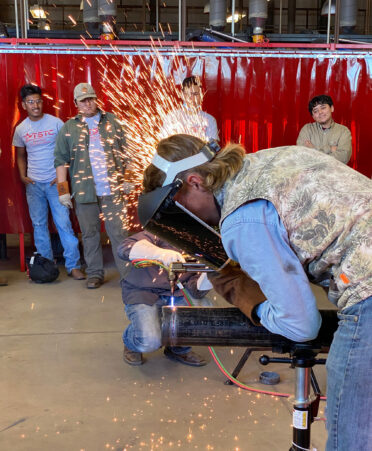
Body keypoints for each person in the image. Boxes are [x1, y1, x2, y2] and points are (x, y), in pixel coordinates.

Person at [142, 134, 372, 451]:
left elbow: (301, 325)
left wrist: (256, 306)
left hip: (367, 294)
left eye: (180, 209)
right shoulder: (270, 159)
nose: (186, 221)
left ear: (195, 182)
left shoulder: (241, 218)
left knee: (352, 441)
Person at [54, 83, 130, 289]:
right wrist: (63, 191)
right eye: (83, 100)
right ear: (75, 103)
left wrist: (128, 178)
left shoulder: (112, 121)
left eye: (91, 99)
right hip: (84, 191)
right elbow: (60, 161)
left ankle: (128, 276)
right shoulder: (69, 128)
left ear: (96, 99)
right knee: (89, 234)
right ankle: (95, 274)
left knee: (119, 232)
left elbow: (127, 151)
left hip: (112, 189)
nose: (88, 104)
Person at [13, 84, 84, 280]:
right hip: (34, 185)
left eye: (38, 101)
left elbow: (69, 150)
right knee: (39, 225)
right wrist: (22, 176)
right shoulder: (21, 129)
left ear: (42, 102)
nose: (35, 105)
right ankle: (46, 267)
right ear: (24, 105)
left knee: (64, 223)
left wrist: (62, 175)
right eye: (30, 102)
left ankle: (73, 266)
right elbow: (20, 155)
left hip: (56, 182)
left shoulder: (56, 123)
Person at [118, 230, 211, 366]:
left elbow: (195, 291)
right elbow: (124, 247)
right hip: (144, 291)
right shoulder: (163, 231)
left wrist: (211, 275)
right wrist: (160, 253)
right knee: (149, 340)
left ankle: (178, 348)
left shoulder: (204, 243)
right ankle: (132, 342)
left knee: (204, 313)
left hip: (178, 291)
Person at [296, 94, 352, 164]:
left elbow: (344, 157)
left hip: (334, 174)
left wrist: (313, 149)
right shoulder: (307, 130)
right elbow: (302, 156)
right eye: (315, 111)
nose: (320, 112)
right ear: (313, 116)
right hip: (311, 174)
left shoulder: (343, 131)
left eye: (323, 108)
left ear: (332, 108)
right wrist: (330, 148)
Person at [160, 76, 219, 141]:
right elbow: (164, 144)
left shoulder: (210, 120)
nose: (192, 98)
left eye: (195, 94)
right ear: (182, 95)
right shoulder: (171, 118)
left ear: (201, 95)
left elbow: (212, 147)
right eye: (188, 94)